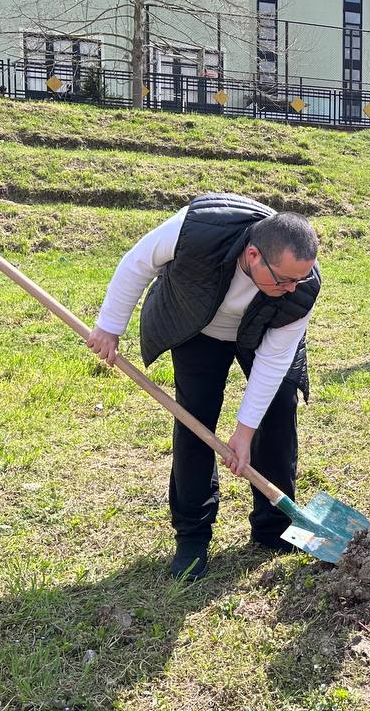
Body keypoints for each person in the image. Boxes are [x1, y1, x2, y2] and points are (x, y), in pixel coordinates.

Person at [85, 194, 320, 581]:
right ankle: (193, 535)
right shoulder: (197, 228)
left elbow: (274, 362)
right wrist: (110, 325)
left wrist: (244, 433)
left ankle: (273, 527)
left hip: (260, 333)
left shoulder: (301, 286)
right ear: (254, 255)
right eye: (285, 280)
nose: (294, 288)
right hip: (197, 325)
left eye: (300, 279)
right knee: (195, 421)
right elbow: (138, 263)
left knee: (278, 413)